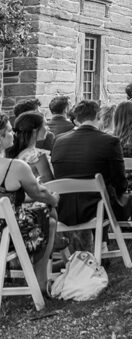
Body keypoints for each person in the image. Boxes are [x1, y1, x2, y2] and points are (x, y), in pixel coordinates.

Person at [51, 99, 132, 243]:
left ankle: (103, 245)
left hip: (64, 209)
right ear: (98, 116)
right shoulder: (109, 141)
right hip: (100, 207)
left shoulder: (58, 141)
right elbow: (120, 183)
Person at [0, 113, 59, 290]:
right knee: (49, 220)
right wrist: (53, 199)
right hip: (7, 230)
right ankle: (40, 281)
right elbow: (40, 192)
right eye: (10, 131)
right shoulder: (15, 166)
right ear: (1, 135)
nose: (14, 134)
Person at [6, 111, 55, 182]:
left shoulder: (13, 152)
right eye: (45, 125)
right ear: (34, 130)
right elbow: (50, 185)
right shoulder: (37, 156)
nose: (48, 128)